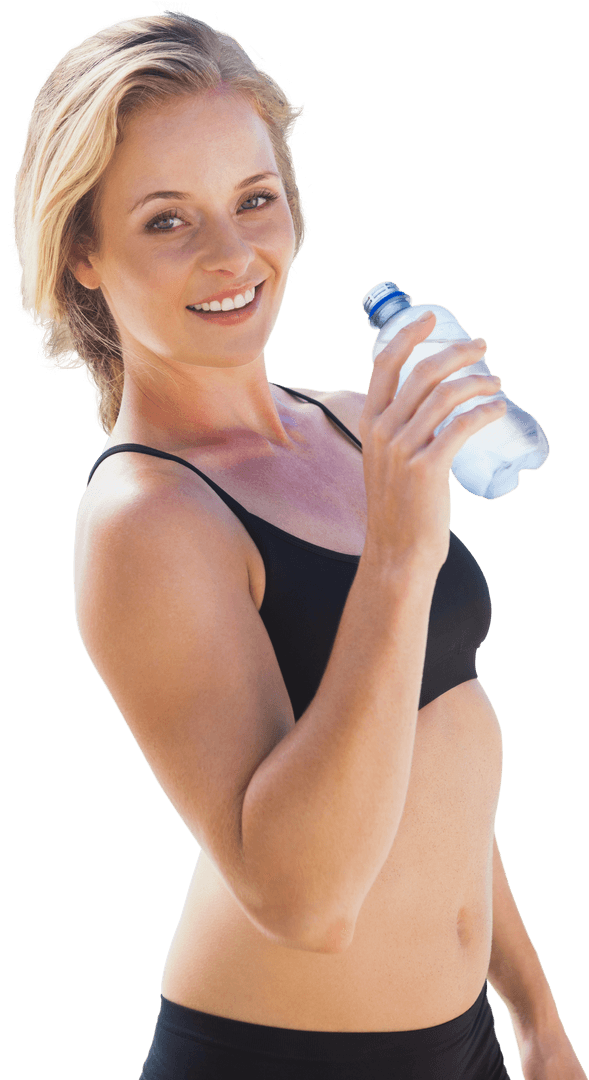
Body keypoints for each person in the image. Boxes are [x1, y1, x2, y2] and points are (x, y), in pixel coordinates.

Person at [12, 9, 587, 1080]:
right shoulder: (146, 517)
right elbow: (304, 900)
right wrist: (402, 552)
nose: (233, 255)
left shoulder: (353, 425)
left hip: (466, 1040)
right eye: (166, 221)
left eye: (255, 199)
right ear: (83, 252)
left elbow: (436, 765)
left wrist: (539, 1015)